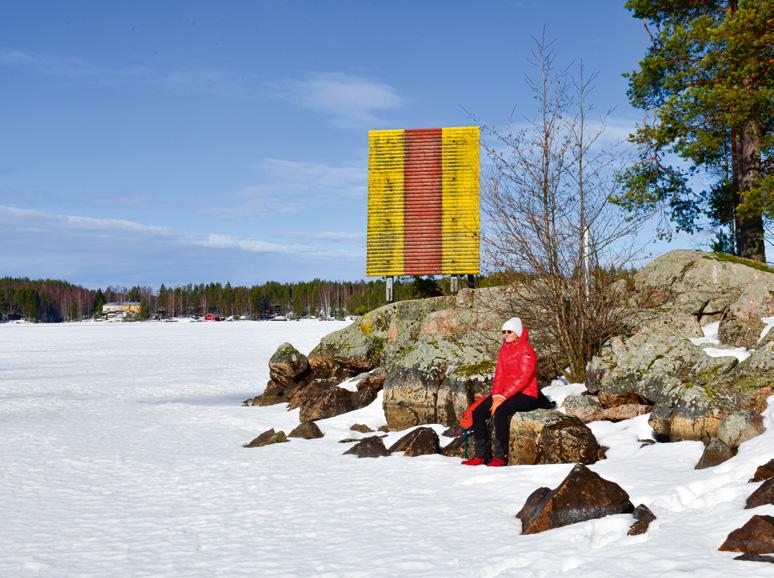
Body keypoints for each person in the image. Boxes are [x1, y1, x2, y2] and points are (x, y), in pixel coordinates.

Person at [461, 316, 545, 467]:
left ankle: (500, 457)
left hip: (526, 394)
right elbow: (499, 376)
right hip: (505, 394)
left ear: (517, 333)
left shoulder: (527, 350)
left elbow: (523, 379)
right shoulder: (504, 349)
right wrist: (495, 396)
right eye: (504, 332)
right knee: (478, 412)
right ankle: (480, 455)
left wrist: (502, 398)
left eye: (509, 332)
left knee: (500, 412)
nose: (505, 334)